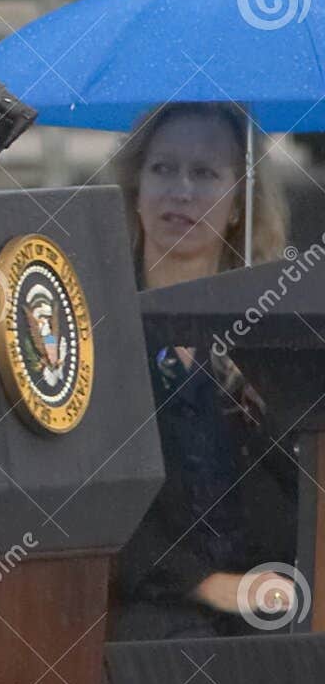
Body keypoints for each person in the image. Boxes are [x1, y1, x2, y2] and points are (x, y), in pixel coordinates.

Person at [111, 102, 299, 639]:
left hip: (280, 603)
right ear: (136, 188)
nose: (181, 191)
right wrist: (205, 583)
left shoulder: (279, 332)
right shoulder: (94, 324)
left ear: (240, 202)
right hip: (142, 610)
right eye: (163, 168)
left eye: (206, 173)